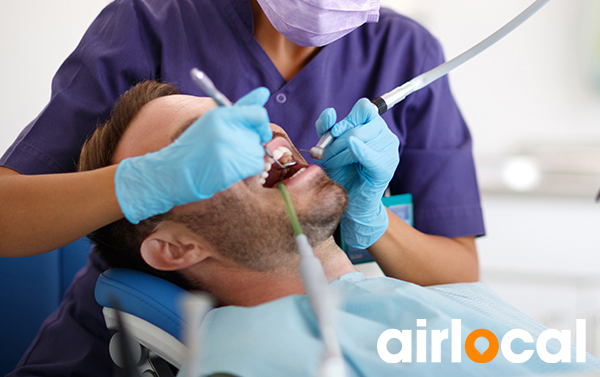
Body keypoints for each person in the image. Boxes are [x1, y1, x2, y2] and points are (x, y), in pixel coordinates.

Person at [2, 0, 483, 376]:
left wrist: (375, 223)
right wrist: (138, 184)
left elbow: (459, 272)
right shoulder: (150, 26)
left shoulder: (406, 55)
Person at [81, 83, 600, 375]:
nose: (261, 128)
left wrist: (373, 220)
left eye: (239, 114)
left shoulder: (414, 299)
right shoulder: (258, 357)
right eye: (204, 141)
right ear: (176, 248)